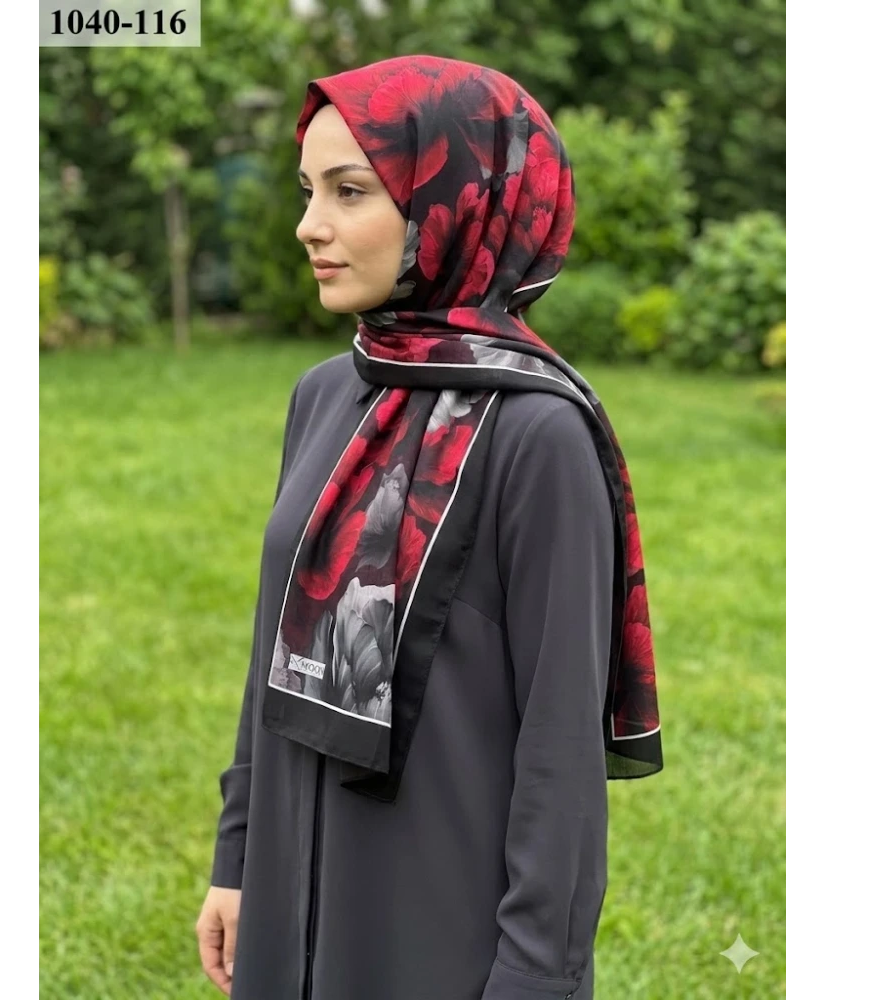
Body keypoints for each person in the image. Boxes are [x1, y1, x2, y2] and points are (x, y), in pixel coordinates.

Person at [195, 54, 663, 1000]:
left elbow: (560, 747)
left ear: (459, 204)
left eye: (350, 191)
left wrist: (536, 975)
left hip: (441, 931)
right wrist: (239, 859)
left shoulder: (536, 434)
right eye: (308, 191)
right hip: (288, 897)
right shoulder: (326, 395)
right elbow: (272, 651)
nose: (309, 225)